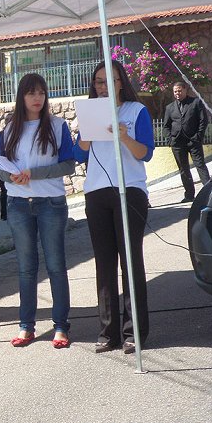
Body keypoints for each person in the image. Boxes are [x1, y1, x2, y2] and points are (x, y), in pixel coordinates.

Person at [73, 61, 154, 355]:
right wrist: (86, 135)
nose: (104, 86)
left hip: (129, 190)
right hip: (97, 193)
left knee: (130, 261)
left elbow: (146, 153)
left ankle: (134, 332)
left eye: (110, 80)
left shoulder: (136, 111)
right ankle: (108, 332)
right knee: (104, 263)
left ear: (121, 83)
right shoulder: (89, 113)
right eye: (99, 81)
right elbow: (78, 154)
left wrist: (124, 137)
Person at [0, 74, 75, 348]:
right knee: (26, 268)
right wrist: (10, 177)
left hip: (51, 203)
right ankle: (26, 326)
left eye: (41, 92)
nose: (37, 98)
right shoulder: (9, 129)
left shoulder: (58, 125)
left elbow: (68, 165)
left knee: (56, 266)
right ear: (22, 96)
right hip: (18, 204)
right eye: (31, 93)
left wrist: (34, 173)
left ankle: (61, 326)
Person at [163, 81, 210, 202]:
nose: (177, 93)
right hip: (177, 143)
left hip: (193, 141)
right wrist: (170, 139)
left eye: (179, 91)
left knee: (200, 165)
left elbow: (203, 120)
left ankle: (209, 193)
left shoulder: (196, 102)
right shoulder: (169, 107)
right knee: (183, 169)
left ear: (185, 90)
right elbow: (166, 126)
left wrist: (198, 136)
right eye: (175, 91)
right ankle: (189, 195)